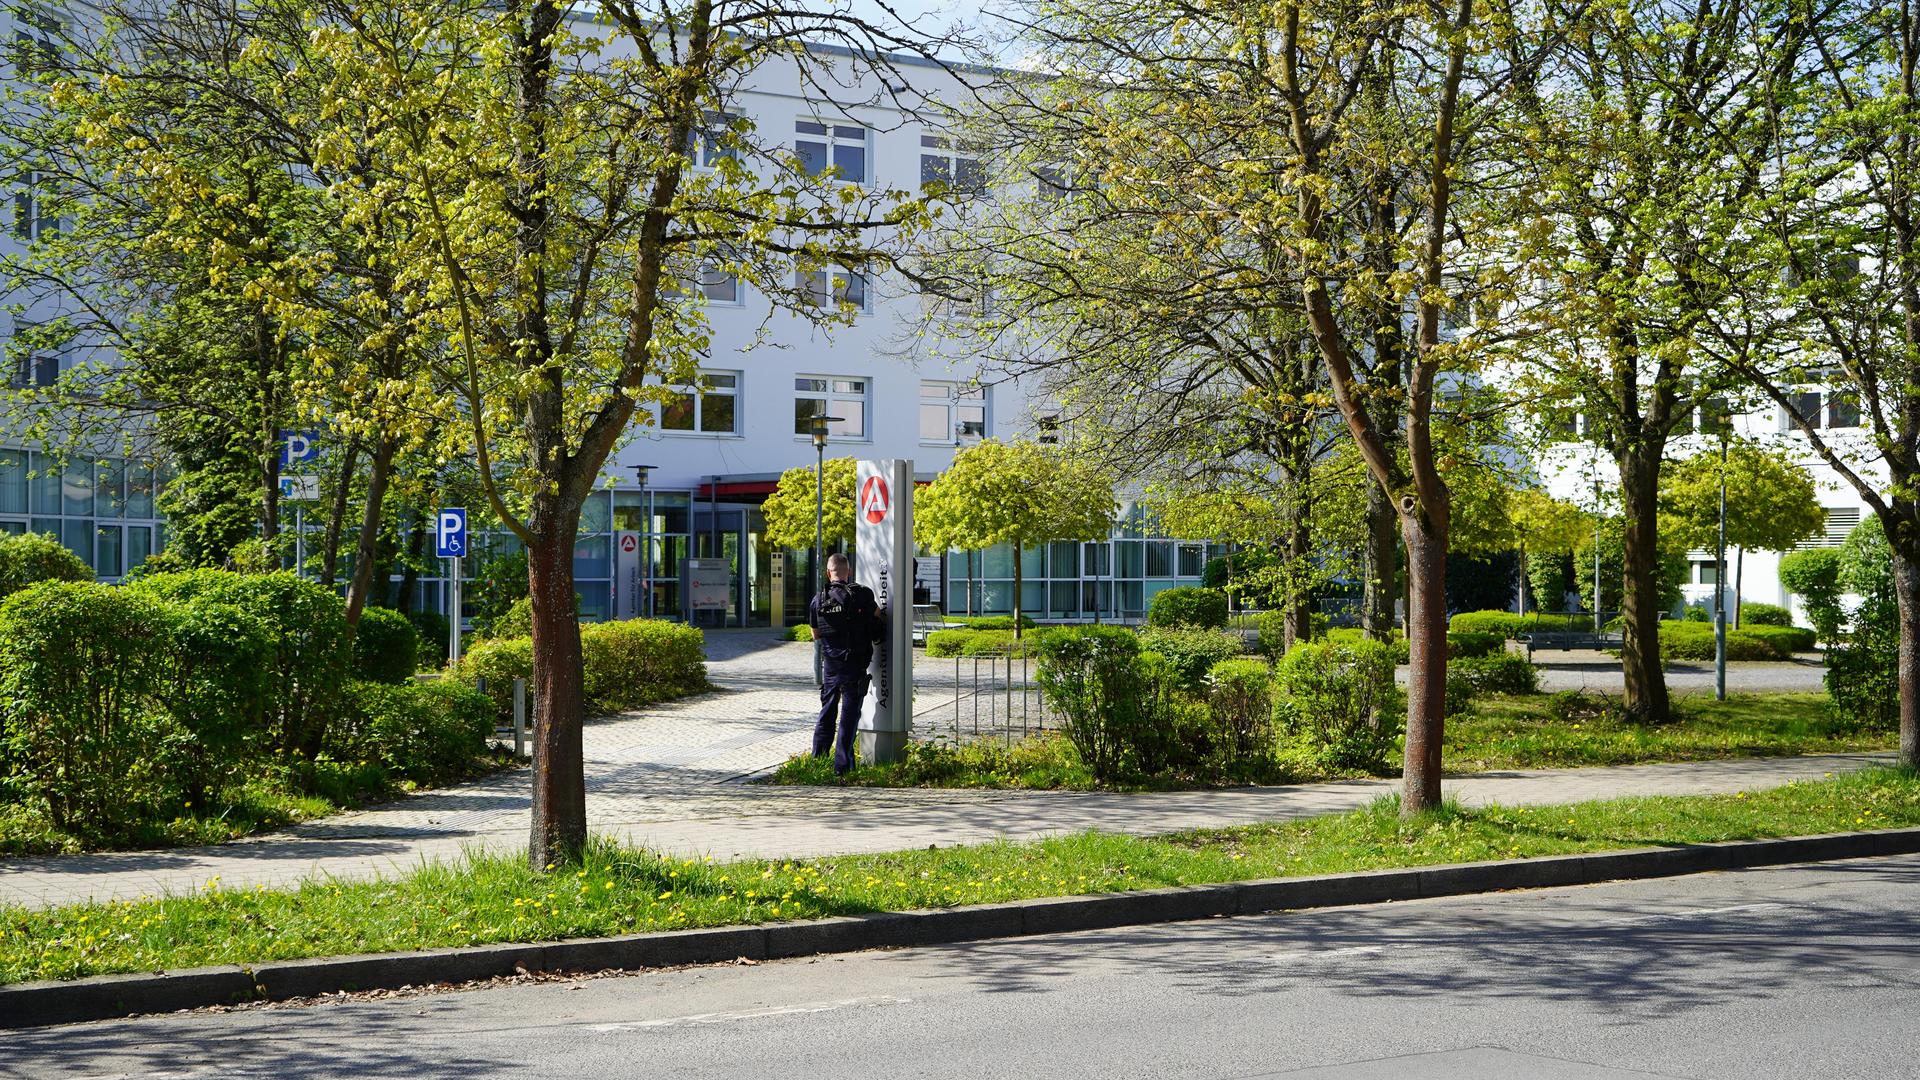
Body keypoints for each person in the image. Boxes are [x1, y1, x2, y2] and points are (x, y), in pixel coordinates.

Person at [808, 552, 884, 774]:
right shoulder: (862, 594)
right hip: (855, 662)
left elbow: (816, 635)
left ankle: (818, 758)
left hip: (831, 664)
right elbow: (878, 618)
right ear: (848, 571)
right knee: (850, 714)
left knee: (828, 710)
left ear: (828, 573)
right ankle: (843, 766)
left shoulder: (818, 599)